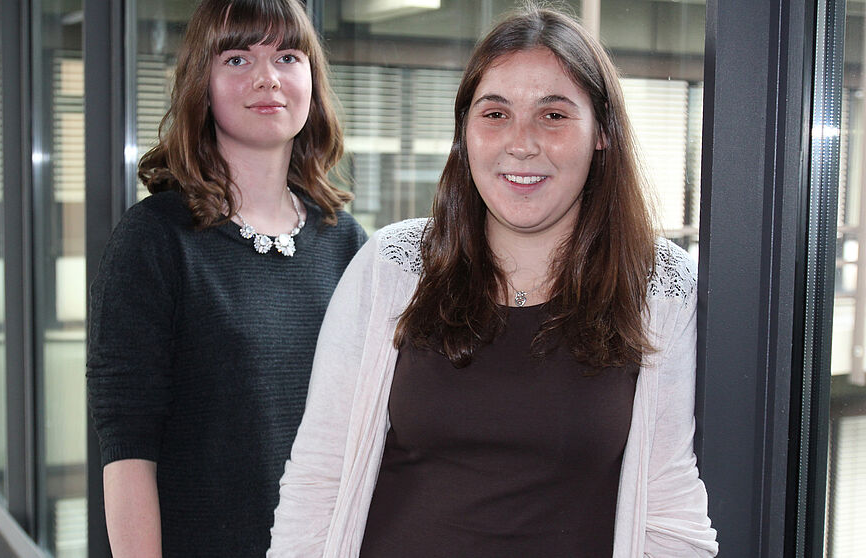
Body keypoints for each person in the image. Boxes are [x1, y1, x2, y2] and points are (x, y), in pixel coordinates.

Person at [268, 5, 717, 557]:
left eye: (553, 115)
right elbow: (318, 477)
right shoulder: (393, 266)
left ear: (602, 132)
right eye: (495, 114)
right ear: (465, 131)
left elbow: (671, 508)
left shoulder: (660, 287)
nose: (520, 143)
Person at [86, 0, 367, 556]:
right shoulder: (155, 240)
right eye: (237, 59)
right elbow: (128, 445)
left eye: (288, 56)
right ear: (202, 85)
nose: (268, 78)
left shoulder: (348, 244)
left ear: (312, 80)